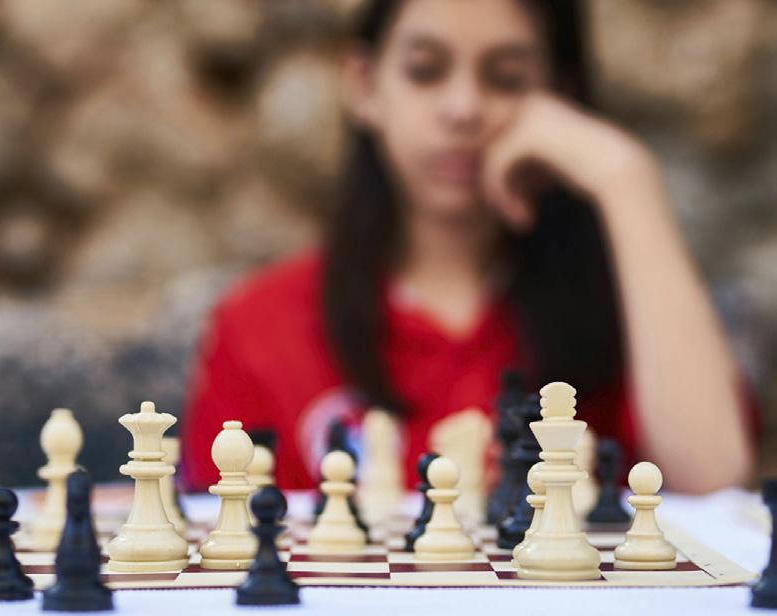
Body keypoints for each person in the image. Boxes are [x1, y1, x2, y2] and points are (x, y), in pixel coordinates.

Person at [180, 0, 755, 494]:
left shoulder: (631, 313)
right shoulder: (258, 325)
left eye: (506, 78)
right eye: (425, 71)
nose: (463, 109)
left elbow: (715, 478)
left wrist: (624, 176)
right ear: (364, 85)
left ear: (559, 97)